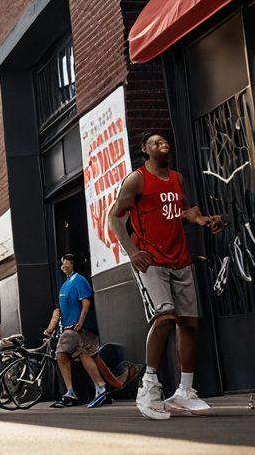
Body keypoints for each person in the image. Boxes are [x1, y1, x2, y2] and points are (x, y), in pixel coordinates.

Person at [108, 131, 224, 420]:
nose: (163, 144)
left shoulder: (176, 178)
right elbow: (114, 217)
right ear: (145, 149)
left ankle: (185, 392)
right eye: (155, 142)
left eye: (164, 141)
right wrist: (132, 252)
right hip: (151, 261)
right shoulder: (136, 179)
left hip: (180, 259)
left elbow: (182, 211)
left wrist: (203, 220)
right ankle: (148, 386)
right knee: (165, 316)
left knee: (189, 324)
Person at [44, 254, 110, 408]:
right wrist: (50, 329)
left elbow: (86, 302)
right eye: (62, 264)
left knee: (62, 353)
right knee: (81, 354)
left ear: (73, 264)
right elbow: (58, 310)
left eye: (66, 263)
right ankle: (99, 389)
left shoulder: (79, 280)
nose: (64, 266)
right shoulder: (64, 285)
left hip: (78, 328)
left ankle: (75, 392)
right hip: (70, 328)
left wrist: (80, 322)